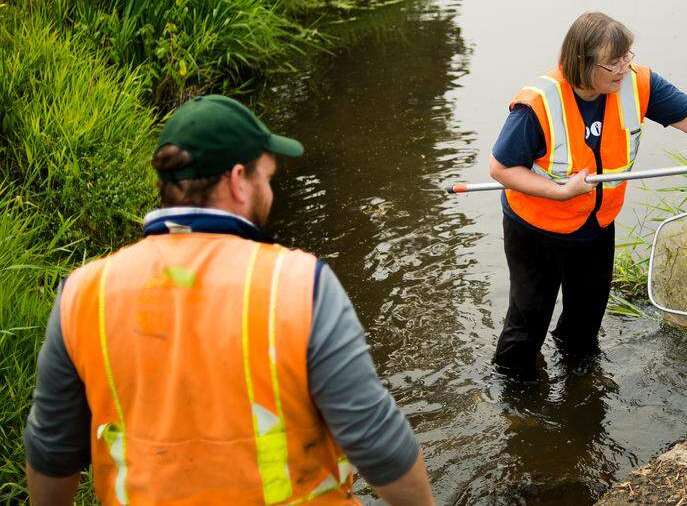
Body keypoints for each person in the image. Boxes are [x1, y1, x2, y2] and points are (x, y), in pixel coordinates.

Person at [23, 95, 435, 506]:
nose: (268, 192)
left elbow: (51, 451)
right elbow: (376, 441)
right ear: (238, 180)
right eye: (267, 178)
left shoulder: (82, 292)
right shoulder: (298, 284)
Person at [489, 12, 687, 376]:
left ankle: (579, 387)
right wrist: (558, 192)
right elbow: (501, 168)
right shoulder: (538, 104)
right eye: (613, 63)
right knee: (528, 322)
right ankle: (516, 401)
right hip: (536, 231)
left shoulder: (637, 83)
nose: (623, 69)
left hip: (595, 227)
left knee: (586, 322)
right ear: (581, 63)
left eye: (627, 57)